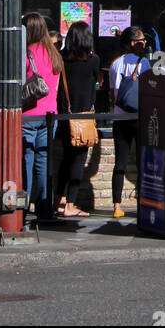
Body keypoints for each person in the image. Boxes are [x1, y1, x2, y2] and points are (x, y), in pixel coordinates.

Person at [56, 19, 100, 219]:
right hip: (83, 117)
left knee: (65, 159)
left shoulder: (61, 60)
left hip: (64, 116)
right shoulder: (93, 61)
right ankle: (71, 204)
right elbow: (96, 83)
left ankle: (60, 199)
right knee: (78, 160)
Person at [21, 12, 63, 220]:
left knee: (25, 160)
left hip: (27, 115)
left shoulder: (25, 53)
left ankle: (22, 206)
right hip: (50, 115)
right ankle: (45, 207)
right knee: (44, 161)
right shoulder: (54, 54)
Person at [108, 26, 150, 219]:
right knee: (143, 162)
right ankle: (144, 202)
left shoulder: (115, 64)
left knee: (120, 163)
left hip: (120, 117)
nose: (144, 43)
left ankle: (117, 205)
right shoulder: (145, 64)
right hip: (139, 116)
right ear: (133, 43)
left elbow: (113, 93)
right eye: (141, 40)